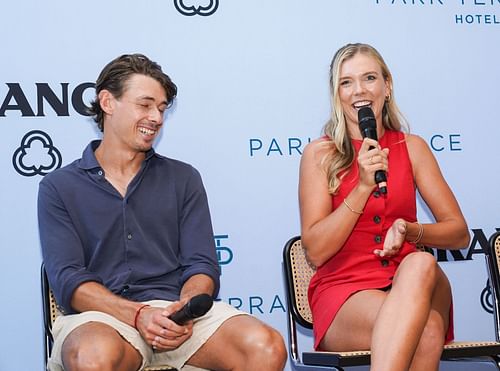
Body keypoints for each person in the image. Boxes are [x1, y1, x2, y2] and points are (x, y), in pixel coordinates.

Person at [38, 53, 286, 371]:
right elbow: (69, 280)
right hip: (103, 319)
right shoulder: (58, 187)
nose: (156, 117)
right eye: (145, 105)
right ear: (107, 103)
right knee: (93, 356)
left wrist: (186, 308)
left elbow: (202, 265)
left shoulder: (183, 178)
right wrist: (139, 315)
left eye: (162, 108)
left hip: (178, 317)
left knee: (266, 346)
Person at [298, 43, 470, 371]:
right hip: (345, 291)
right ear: (336, 93)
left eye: (369, 78)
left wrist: (410, 229)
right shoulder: (320, 155)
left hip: (414, 280)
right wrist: (362, 186)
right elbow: (316, 252)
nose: (359, 90)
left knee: (420, 263)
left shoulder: (412, 147)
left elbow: (459, 233)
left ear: (386, 86)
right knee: (428, 331)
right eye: (346, 82)